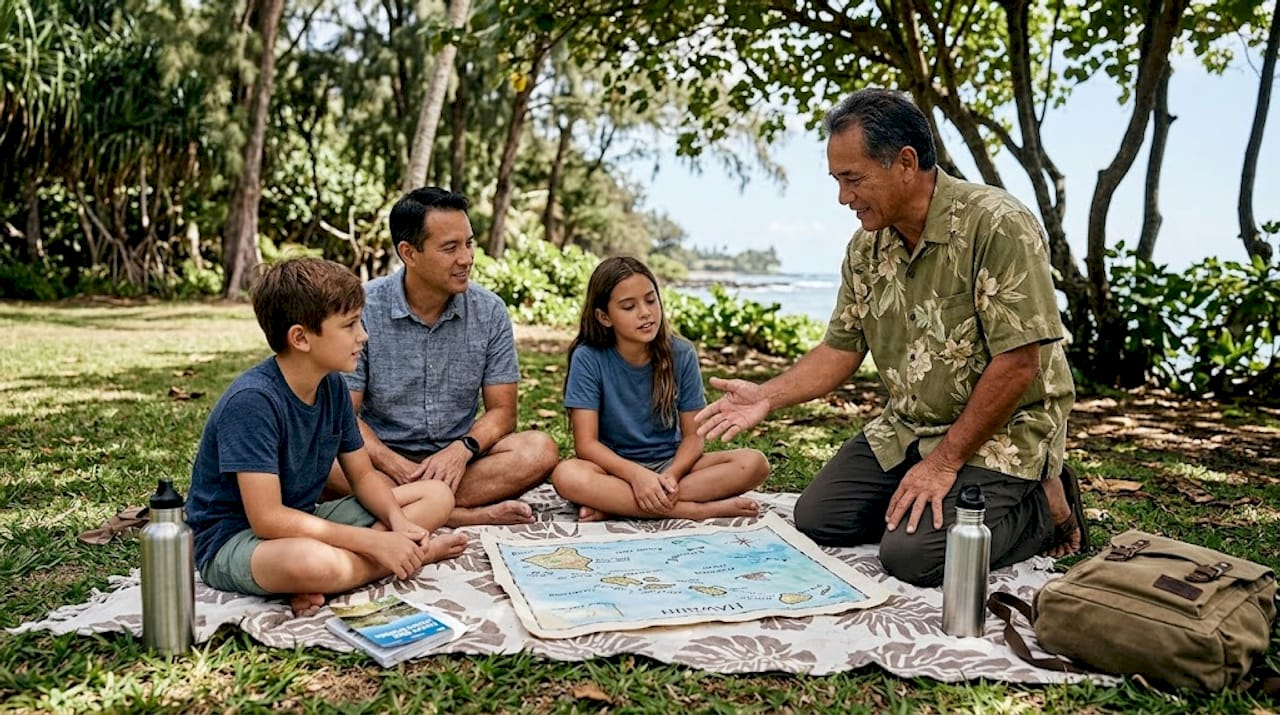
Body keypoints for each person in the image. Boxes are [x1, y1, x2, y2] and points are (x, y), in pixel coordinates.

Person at [695, 88, 1086, 587]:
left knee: (913, 557)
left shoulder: (998, 223)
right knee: (819, 518)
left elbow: (1019, 364)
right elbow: (840, 348)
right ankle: (938, 497)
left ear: (906, 163)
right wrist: (766, 396)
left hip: (1007, 428)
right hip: (910, 427)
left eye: (853, 179)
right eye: (837, 181)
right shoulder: (865, 248)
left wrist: (944, 465)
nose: (843, 197)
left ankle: (1045, 502)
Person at [187, 258, 468, 617]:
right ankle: (409, 556)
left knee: (436, 493)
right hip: (236, 541)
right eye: (349, 325)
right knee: (308, 561)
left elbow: (364, 476)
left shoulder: (333, 386)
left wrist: (397, 523)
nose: (362, 336)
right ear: (301, 338)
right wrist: (375, 541)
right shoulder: (253, 402)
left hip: (305, 519)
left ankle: (367, 563)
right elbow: (267, 519)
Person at [328, 186, 558, 526]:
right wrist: (394, 464)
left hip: (460, 463)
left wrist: (462, 450)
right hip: (378, 461)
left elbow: (503, 413)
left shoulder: (490, 311)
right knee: (320, 458)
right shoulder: (363, 307)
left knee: (540, 450)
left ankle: (412, 505)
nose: (466, 258)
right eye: (450, 248)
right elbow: (346, 415)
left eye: (469, 243)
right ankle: (454, 515)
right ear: (409, 253)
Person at [551, 256, 770, 521]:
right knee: (567, 475)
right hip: (614, 471)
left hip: (672, 466)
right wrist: (636, 476)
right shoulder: (589, 357)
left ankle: (615, 505)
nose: (645, 312)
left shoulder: (682, 353)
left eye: (651, 300)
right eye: (629, 306)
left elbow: (693, 437)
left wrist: (671, 476)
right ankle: (694, 511)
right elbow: (586, 444)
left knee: (754, 464)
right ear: (604, 317)